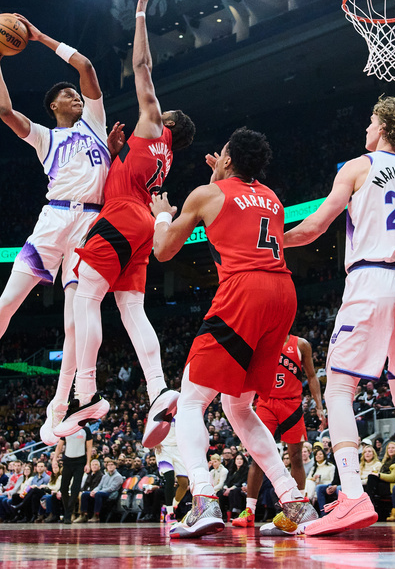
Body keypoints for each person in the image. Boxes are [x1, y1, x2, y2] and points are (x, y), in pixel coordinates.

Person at [0, 18, 125, 449]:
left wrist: (41, 38)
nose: (76, 96)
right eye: (67, 95)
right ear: (54, 106)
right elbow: (5, 112)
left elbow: (88, 68)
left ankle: (62, 405)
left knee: (76, 321)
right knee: (7, 303)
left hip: (89, 223)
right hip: (53, 220)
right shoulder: (45, 137)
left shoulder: (96, 123)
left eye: (77, 95)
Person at [282, 96, 395, 536]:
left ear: (380, 127)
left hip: (371, 279)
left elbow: (316, 225)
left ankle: (352, 496)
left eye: (369, 121)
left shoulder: (358, 167)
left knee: (339, 388)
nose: (366, 128)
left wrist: (273, 242)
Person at [149, 126, 317, 538]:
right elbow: (229, 216)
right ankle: (295, 503)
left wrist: (162, 215)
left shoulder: (207, 195)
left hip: (245, 292)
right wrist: (216, 179)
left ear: (226, 159)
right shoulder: (273, 198)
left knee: (189, 402)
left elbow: (163, 250)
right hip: (282, 295)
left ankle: (203, 500)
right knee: (238, 407)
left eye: (221, 154)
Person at [56, 0, 196, 446]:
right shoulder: (162, 155)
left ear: (168, 122)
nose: (155, 105)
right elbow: (128, 175)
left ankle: (87, 392)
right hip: (140, 226)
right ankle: (158, 389)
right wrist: (116, 154)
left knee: (85, 295)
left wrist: (139, 17)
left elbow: (142, 67)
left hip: (120, 218)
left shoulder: (155, 121)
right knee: (131, 309)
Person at [231, 333, 325, 528]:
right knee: (257, 456)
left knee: (296, 456)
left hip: (292, 404)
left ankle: (295, 510)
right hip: (266, 403)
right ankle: (250, 510)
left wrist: (318, 405)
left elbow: (312, 375)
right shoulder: (260, 343)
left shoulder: (301, 344)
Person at [54, 424, 93, 523]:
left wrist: (88, 463)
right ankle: (68, 511)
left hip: (80, 461)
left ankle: (68, 515)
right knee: (63, 488)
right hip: (67, 461)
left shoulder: (86, 430)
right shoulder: (67, 428)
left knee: (75, 488)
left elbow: (89, 448)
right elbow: (59, 445)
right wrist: (54, 459)